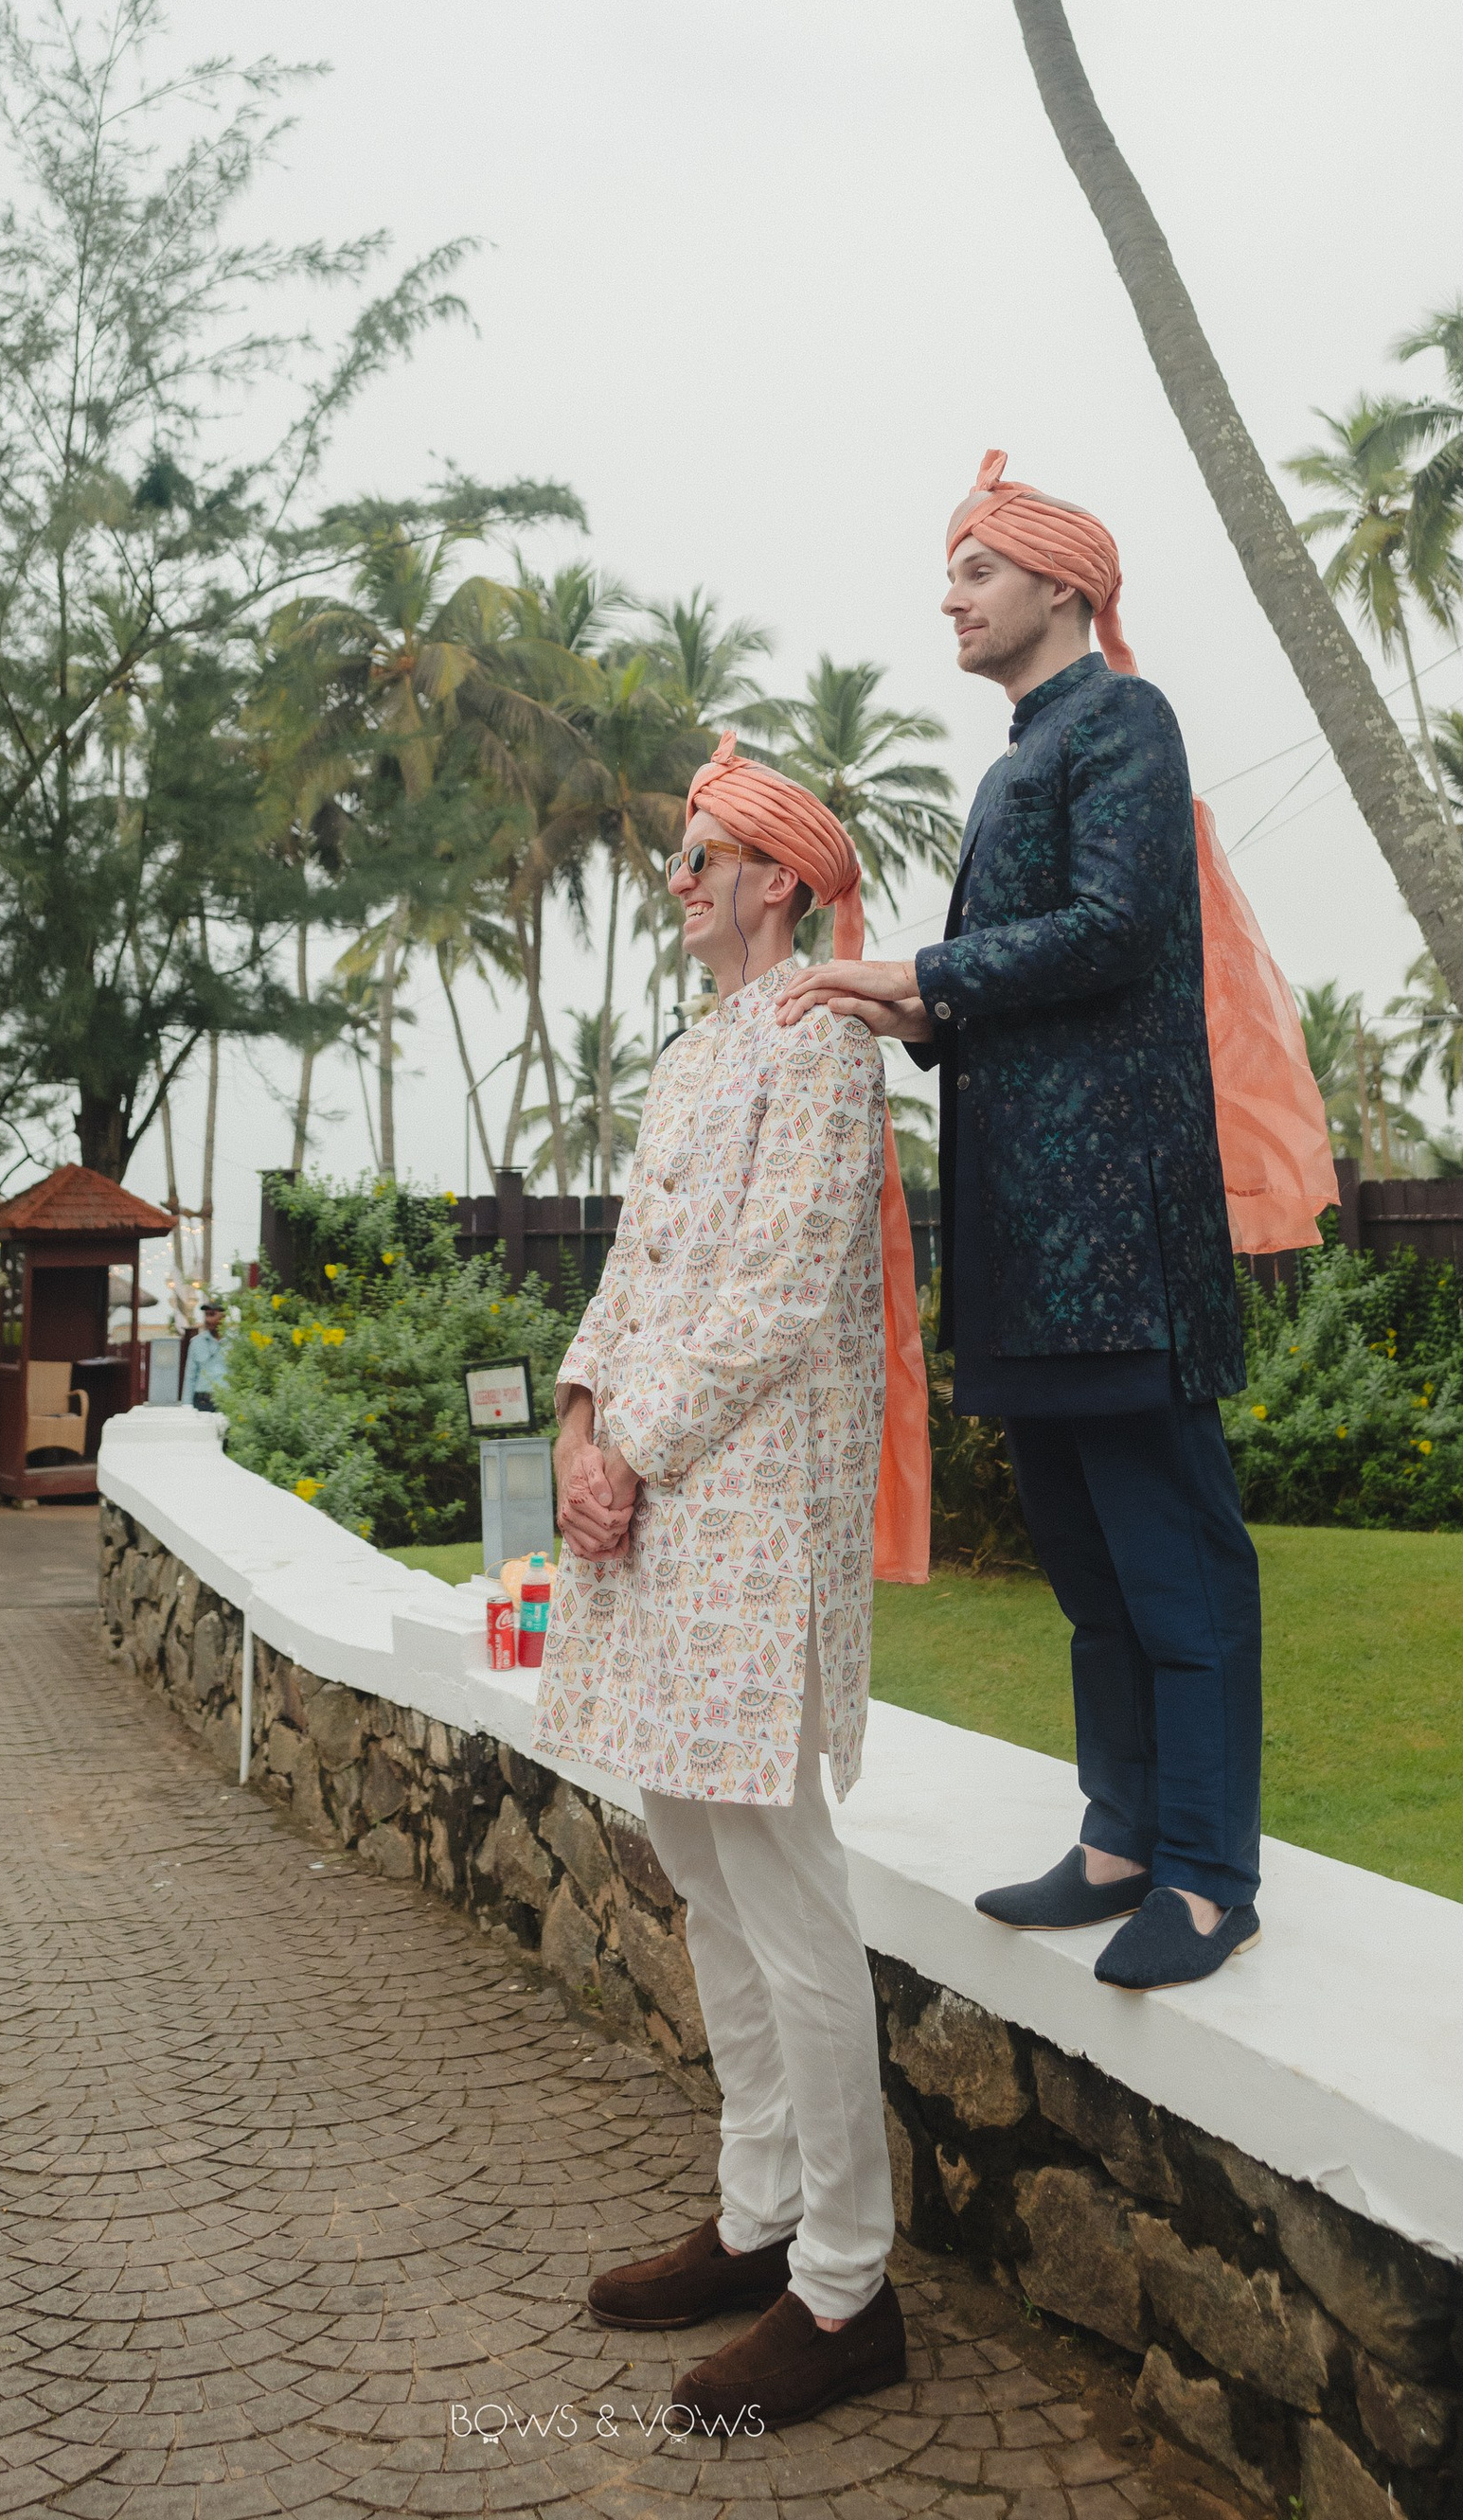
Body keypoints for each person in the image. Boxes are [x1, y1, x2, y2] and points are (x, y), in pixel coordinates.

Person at [783, 456, 1268, 1991]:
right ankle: (1119, 1837)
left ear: (1063, 584)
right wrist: (913, 1010)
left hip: (1119, 1237)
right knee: (1084, 1565)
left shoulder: (1124, 718)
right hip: (1027, 1244)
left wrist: (929, 975)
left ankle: (1210, 1874)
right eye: (953, 569)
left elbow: (1117, 928)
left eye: (978, 568)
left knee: (1174, 1560)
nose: (951, 596)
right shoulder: (1014, 764)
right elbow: (1023, 978)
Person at [535, 734, 928, 2435]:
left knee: (782, 1879)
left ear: (778, 879)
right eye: (680, 854)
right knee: (700, 1858)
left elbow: (776, 1291)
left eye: (703, 854)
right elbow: (633, 1269)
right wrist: (577, 1420)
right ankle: (759, 2211)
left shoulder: (826, 1040)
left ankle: (846, 2282)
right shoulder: (694, 1055)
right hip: (657, 1516)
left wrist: (633, 1441)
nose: (678, 878)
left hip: (753, 1512)